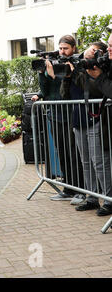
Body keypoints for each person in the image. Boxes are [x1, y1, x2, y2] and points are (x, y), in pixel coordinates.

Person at [61, 42, 112, 216]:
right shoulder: (79, 67)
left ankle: (108, 199)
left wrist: (79, 71)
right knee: (86, 162)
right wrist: (67, 76)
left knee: (99, 161)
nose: (87, 55)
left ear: (100, 53)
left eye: (91, 52)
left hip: (95, 118)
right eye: (87, 51)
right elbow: (65, 95)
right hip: (79, 120)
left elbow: (91, 88)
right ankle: (91, 197)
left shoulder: (99, 69)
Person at [32, 35, 84, 202]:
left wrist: (55, 75)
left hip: (70, 114)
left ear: (73, 49)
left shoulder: (75, 63)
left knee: (73, 152)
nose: (62, 51)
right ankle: (67, 188)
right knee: (61, 151)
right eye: (60, 48)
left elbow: (68, 89)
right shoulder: (53, 63)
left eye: (66, 48)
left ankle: (80, 189)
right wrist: (43, 73)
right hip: (55, 114)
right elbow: (45, 91)